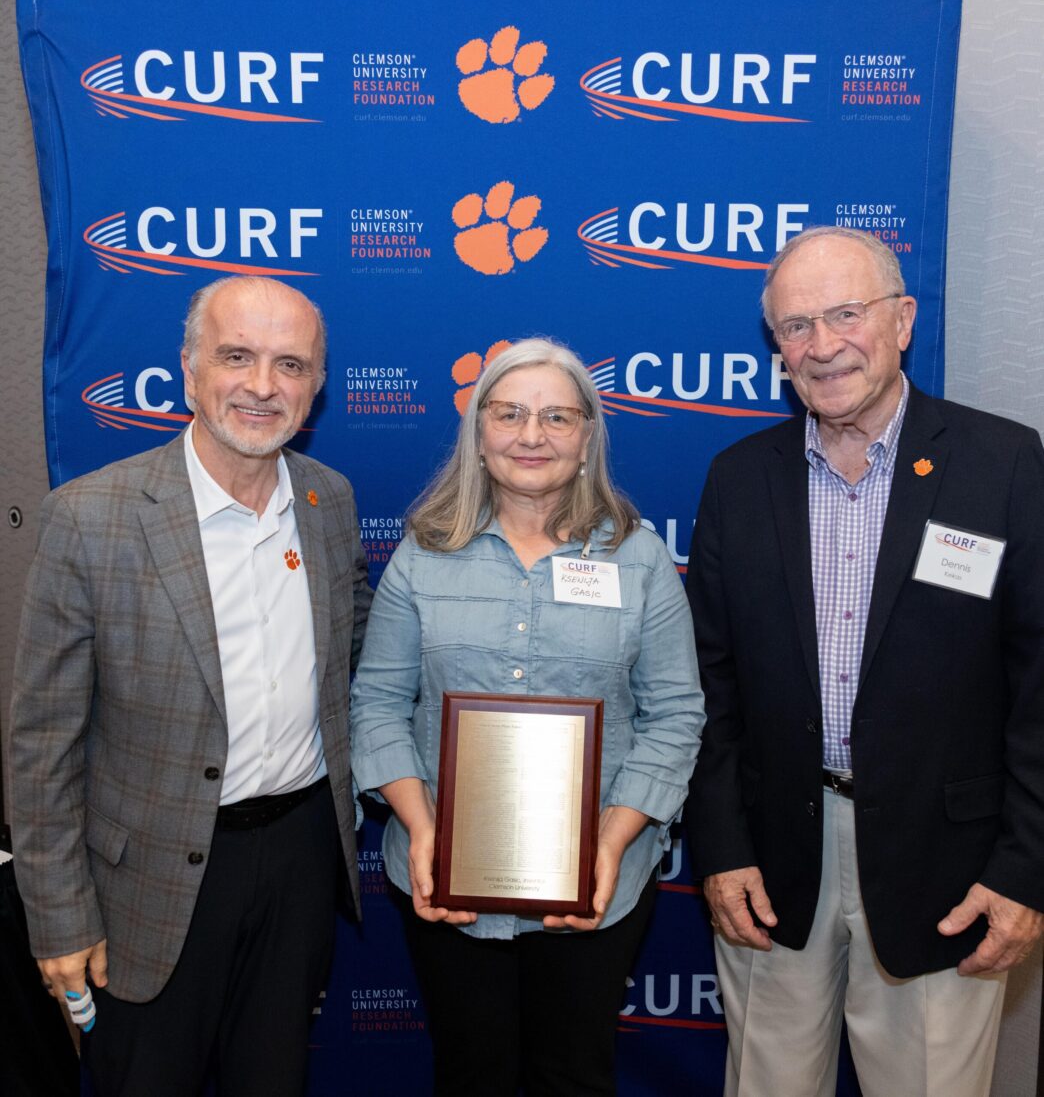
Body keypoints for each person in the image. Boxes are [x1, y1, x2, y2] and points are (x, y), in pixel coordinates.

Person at [685, 226, 1044, 1097]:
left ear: (904, 321)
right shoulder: (739, 478)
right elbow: (709, 683)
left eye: (846, 314)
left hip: (945, 864)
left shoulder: (1002, 464)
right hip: (775, 863)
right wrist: (722, 846)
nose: (822, 345)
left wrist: (1025, 866)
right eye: (796, 326)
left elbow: (1040, 680)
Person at [9, 276, 372, 1096]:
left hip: (298, 861)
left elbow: (361, 653)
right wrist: (58, 917)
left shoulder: (327, 502)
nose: (261, 385)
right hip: (150, 883)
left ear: (316, 387)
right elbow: (41, 747)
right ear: (189, 367)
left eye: (290, 364)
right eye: (236, 356)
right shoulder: (90, 518)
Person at [350, 337, 704, 1095]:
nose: (531, 434)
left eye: (556, 416)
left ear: (587, 439)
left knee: (573, 1074)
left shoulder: (637, 559)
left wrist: (609, 846)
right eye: (508, 414)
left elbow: (676, 715)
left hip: (600, 883)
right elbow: (376, 701)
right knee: (471, 1073)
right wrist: (422, 830)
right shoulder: (423, 553)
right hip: (446, 878)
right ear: (478, 435)